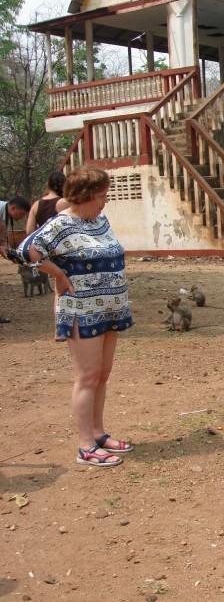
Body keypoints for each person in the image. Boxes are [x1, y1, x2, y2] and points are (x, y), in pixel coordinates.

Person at [17, 166, 135, 467]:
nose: (105, 201)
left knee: (103, 374)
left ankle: (98, 433)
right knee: (87, 376)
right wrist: (56, 272)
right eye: (100, 196)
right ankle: (85, 446)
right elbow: (26, 249)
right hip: (81, 310)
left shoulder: (99, 219)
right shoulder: (60, 224)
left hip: (109, 308)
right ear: (82, 196)